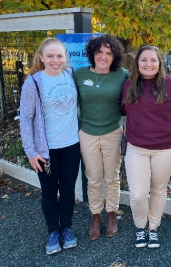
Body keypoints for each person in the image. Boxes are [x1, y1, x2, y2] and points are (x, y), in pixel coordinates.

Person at [121, 45, 171, 248]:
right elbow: (123, 109)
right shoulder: (128, 85)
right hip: (136, 147)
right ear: (137, 63)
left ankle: (153, 228)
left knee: (158, 189)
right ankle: (141, 227)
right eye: (144, 60)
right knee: (138, 194)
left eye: (153, 60)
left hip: (166, 148)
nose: (148, 64)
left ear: (160, 63)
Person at [20, 38, 81, 255]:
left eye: (59, 56)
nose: (55, 60)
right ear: (42, 58)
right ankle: (53, 232)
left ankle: (66, 228)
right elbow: (26, 119)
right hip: (46, 150)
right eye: (50, 56)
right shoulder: (34, 82)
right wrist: (31, 152)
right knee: (48, 192)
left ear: (65, 57)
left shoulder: (71, 76)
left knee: (67, 190)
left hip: (72, 145)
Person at [73, 35, 129, 240]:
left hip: (113, 132)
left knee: (112, 177)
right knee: (93, 176)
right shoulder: (79, 75)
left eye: (109, 53)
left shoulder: (122, 75)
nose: (104, 57)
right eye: (100, 52)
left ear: (114, 56)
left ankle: (112, 214)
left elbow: (140, 88)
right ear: (92, 53)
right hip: (87, 133)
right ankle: (96, 215)